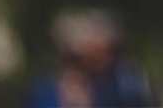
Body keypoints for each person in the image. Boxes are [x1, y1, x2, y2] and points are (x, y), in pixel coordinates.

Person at [25, 8, 153, 108]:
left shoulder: (123, 84)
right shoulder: (46, 93)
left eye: (111, 52)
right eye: (95, 53)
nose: (105, 60)